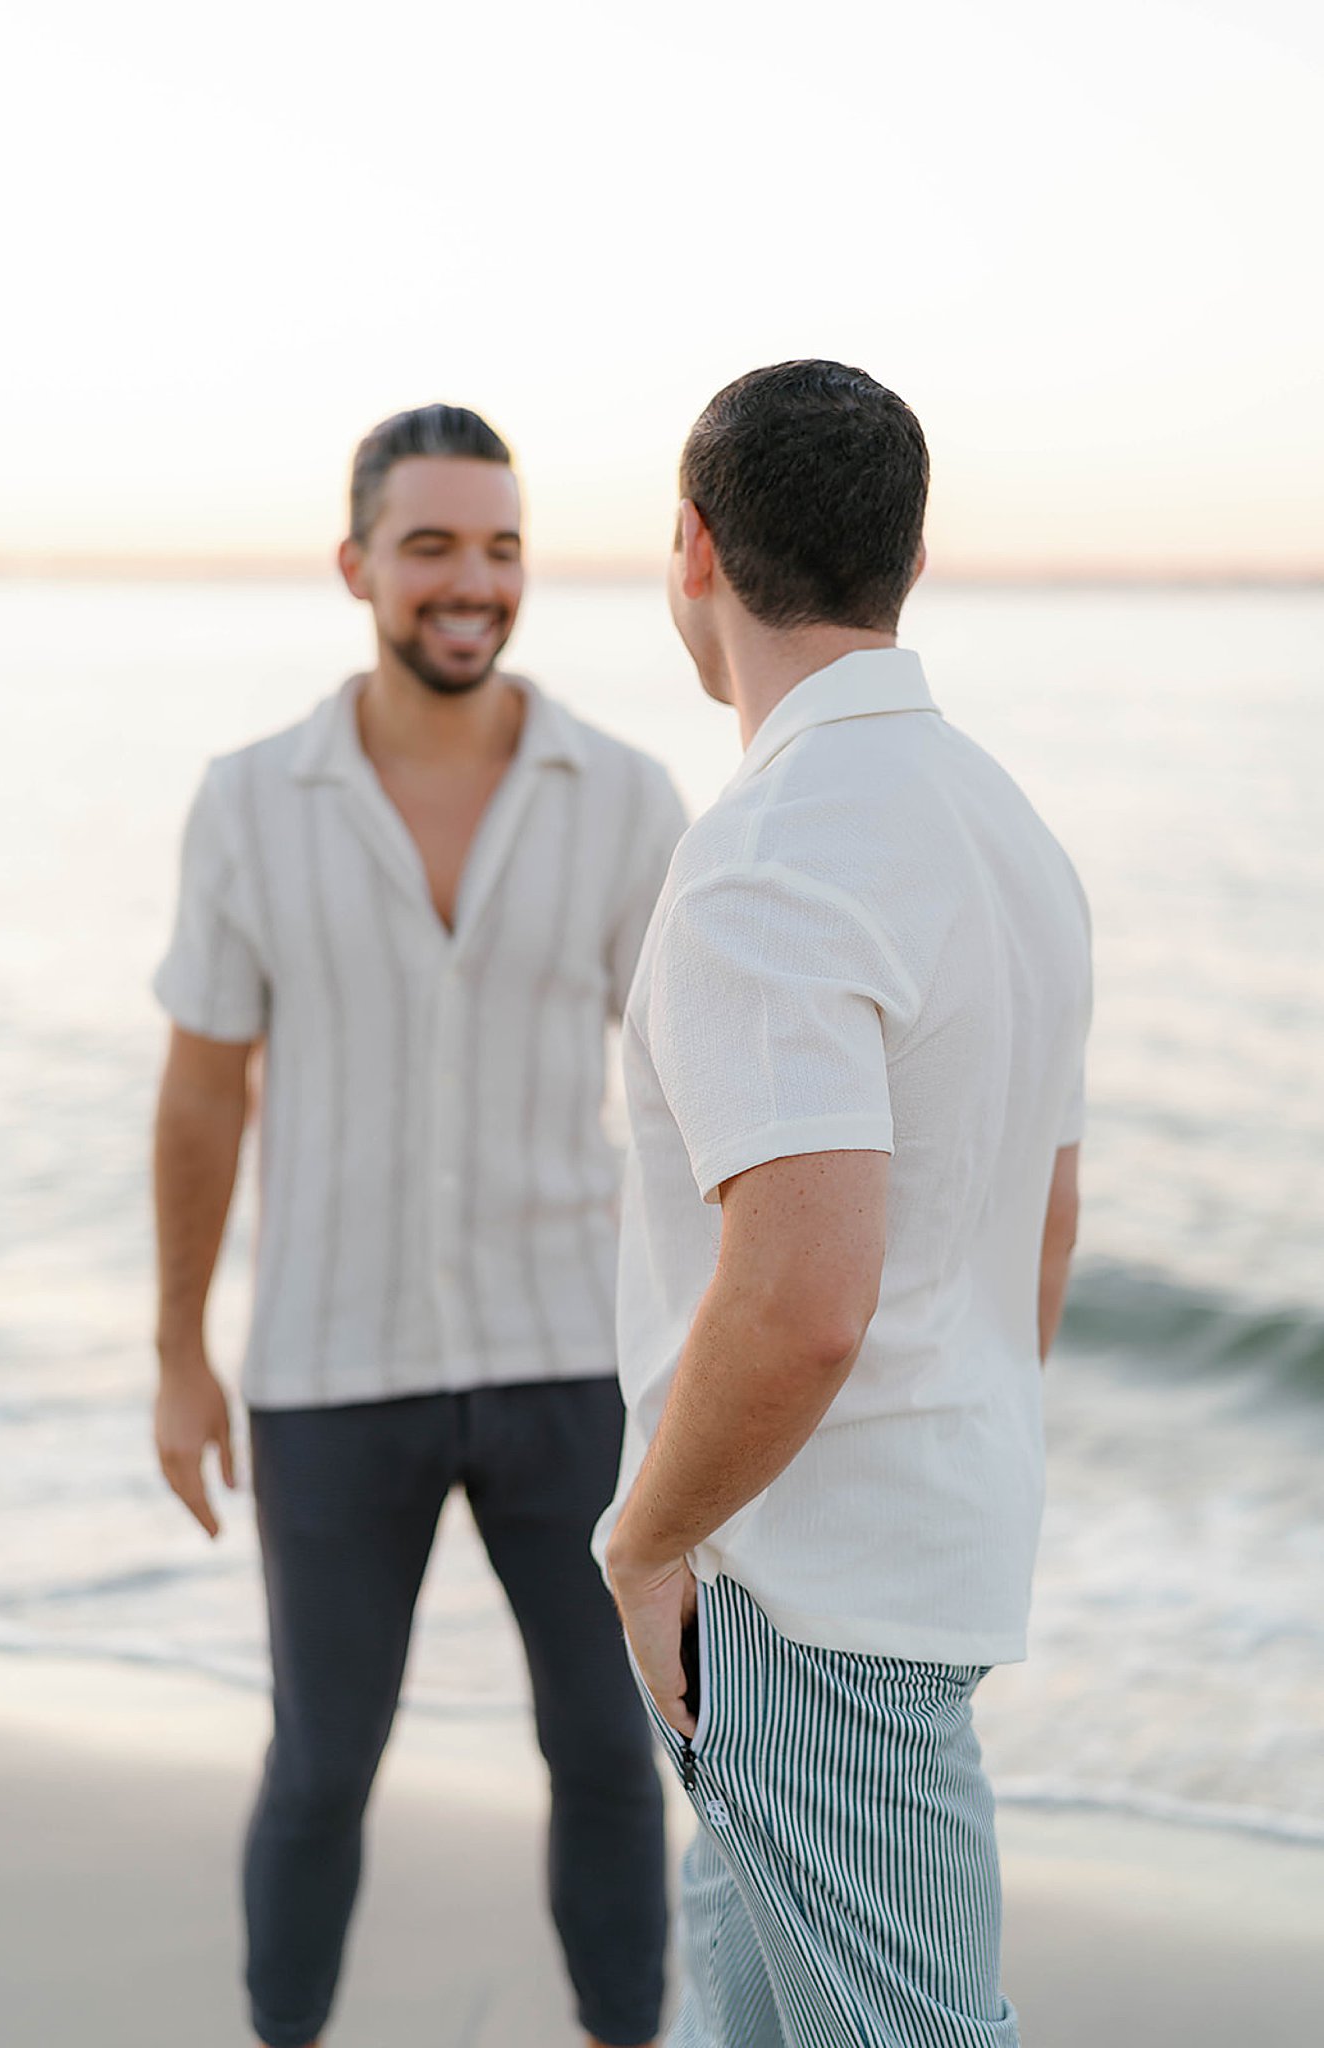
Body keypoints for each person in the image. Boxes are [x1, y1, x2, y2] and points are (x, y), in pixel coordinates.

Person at [151, 404, 684, 2048]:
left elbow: (688, 1097)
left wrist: (702, 1359)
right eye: (433, 545)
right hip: (331, 1365)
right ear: (356, 564)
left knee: (608, 1753)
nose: (473, 582)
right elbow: (201, 1094)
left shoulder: (625, 796)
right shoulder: (250, 801)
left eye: (502, 548)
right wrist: (179, 1355)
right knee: (321, 1765)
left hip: (567, 1361)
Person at [597, 360, 1092, 2047]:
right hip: (913, 1549)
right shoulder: (1004, 830)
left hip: (799, 1589)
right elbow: (1041, 1225)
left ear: (693, 546)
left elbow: (804, 1299)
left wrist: (642, 1537)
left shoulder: (768, 855)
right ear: (909, 555)